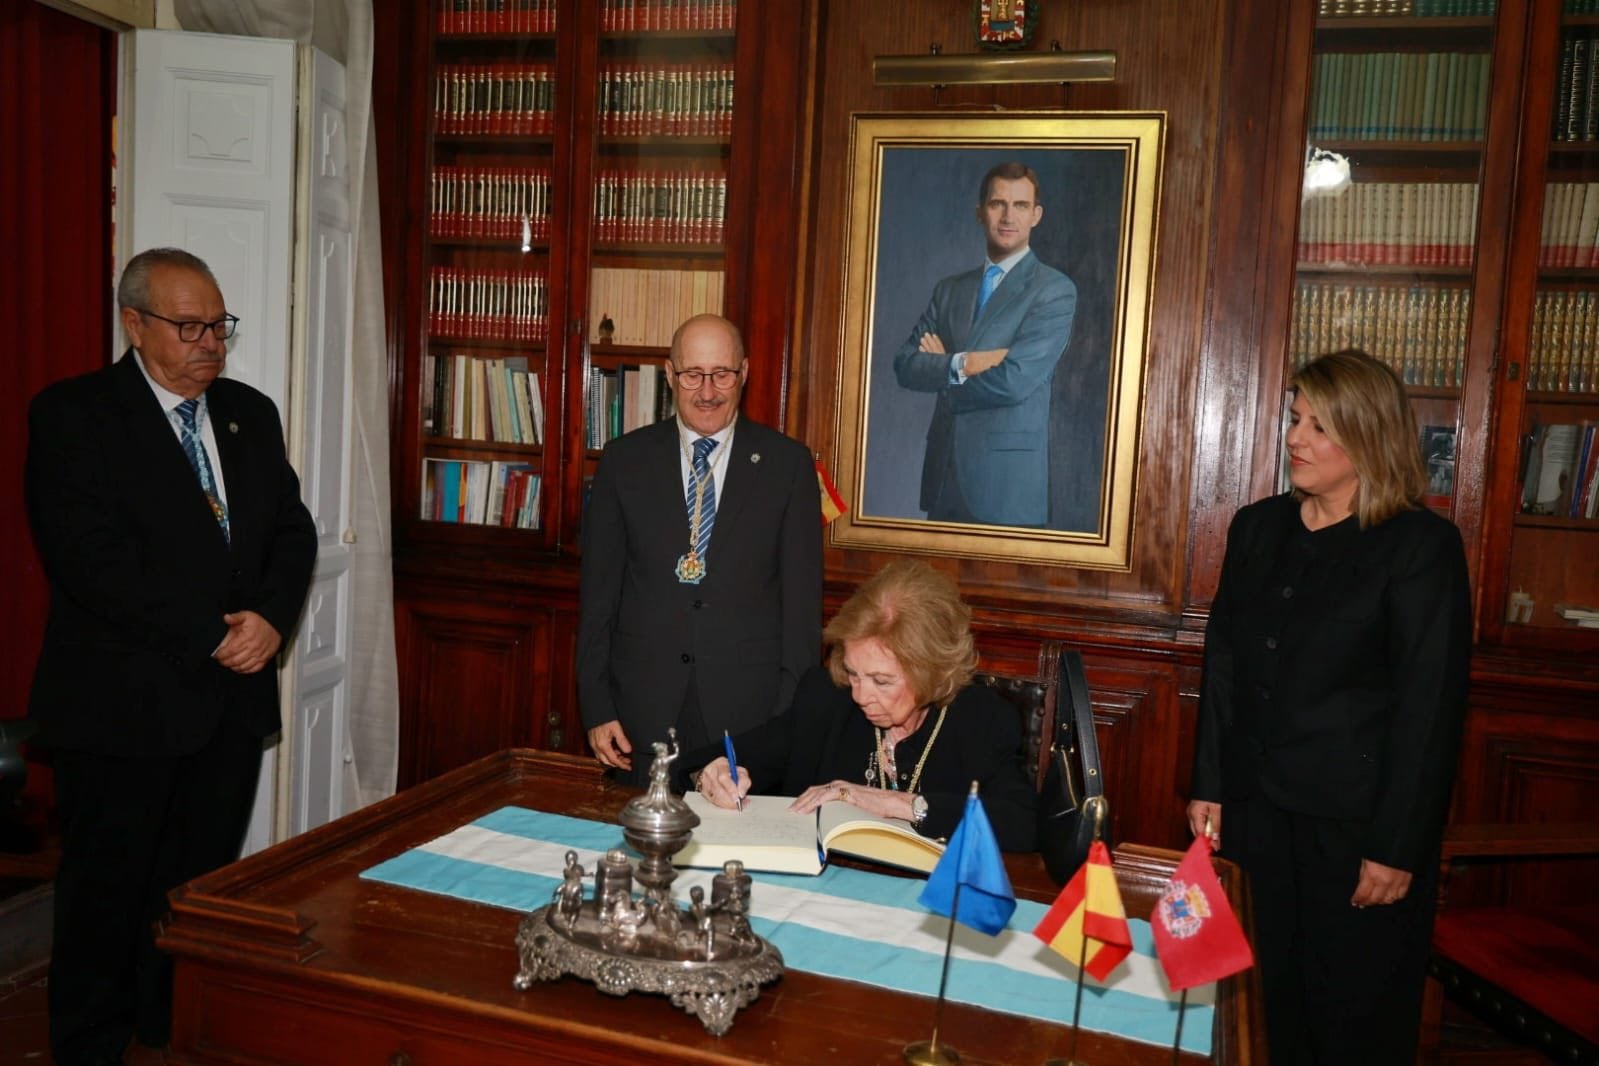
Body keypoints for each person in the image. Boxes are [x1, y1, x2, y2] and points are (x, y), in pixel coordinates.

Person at [25, 247, 318, 1063]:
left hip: (227, 707)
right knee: (104, 896)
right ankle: (88, 1043)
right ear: (133, 324)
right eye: (188, 327)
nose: (210, 344)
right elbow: (92, 562)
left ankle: (167, 1027)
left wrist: (269, 618)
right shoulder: (73, 416)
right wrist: (216, 633)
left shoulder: (247, 414)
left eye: (218, 326)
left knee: (193, 889)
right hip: (123, 706)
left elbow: (289, 532)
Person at [1187, 349, 1471, 1065]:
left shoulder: (1419, 547)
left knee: (1349, 1013)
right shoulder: (1256, 528)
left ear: (1368, 437)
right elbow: (1221, 664)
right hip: (1253, 817)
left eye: (1319, 426)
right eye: (1293, 418)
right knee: (1250, 1000)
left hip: (1355, 833)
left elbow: (1428, 709)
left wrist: (1396, 847)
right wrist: (1209, 785)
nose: (1294, 439)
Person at [578, 313, 823, 788]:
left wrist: (783, 725)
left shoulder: (787, 467)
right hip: (639, 719)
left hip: (747, 719)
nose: (707, 391)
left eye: (722, 375)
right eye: (692, 375)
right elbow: (597, 601)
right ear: (669, 375)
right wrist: (597, 706)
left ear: (744, 373)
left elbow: (801, 617)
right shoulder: (624, 462)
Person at [680, 560, 1037, 851]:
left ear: (933, 671)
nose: (860, 695)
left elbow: (1024, 824)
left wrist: (900, 804)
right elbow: (708, 762)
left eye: (882, 681)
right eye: (853, 673)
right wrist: (710, 778)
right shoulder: (826, 698)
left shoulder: (981, 719)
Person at [893, 161, 1078, 527]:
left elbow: (1014, 382)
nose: (1008, 216)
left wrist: (944, 373)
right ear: (980, 213)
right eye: (998, 204)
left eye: (1020, 206)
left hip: (1006, 487)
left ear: (1036, 215)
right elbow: (905, 364)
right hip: (944, 478)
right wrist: (964, 363)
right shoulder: (949, 290)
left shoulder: (1054, 291)